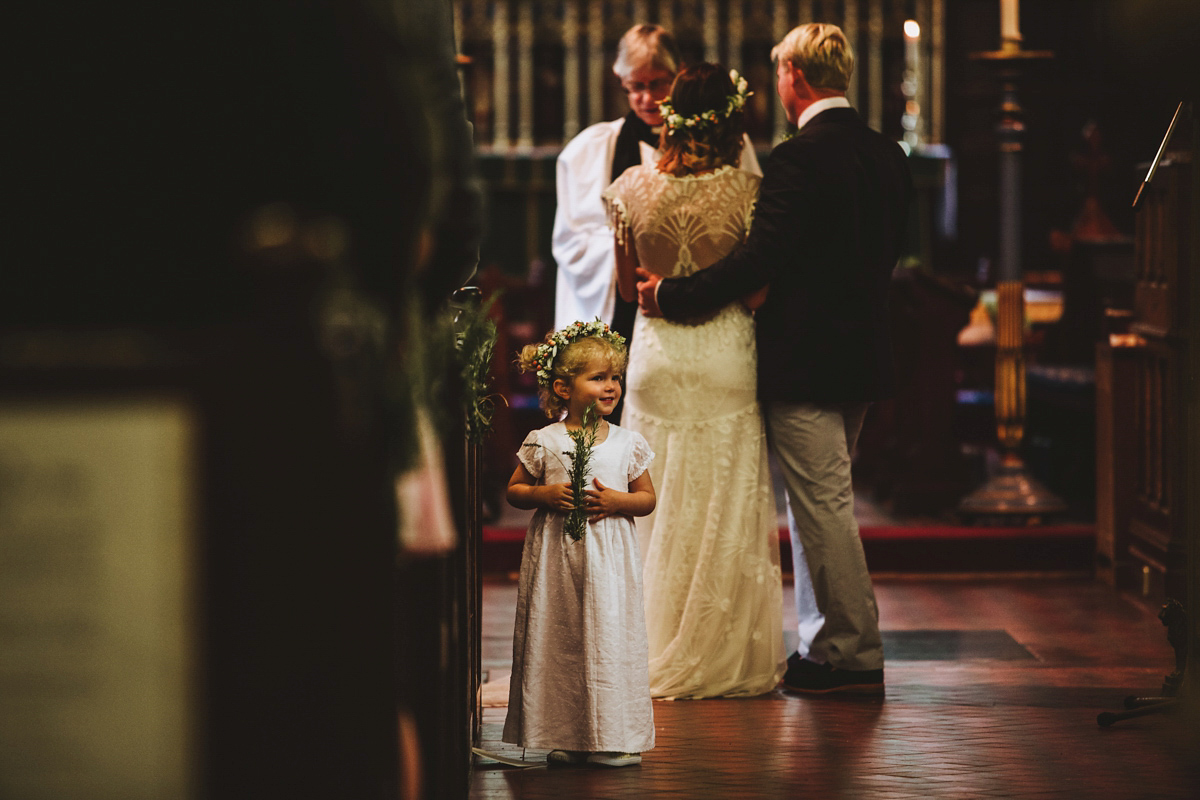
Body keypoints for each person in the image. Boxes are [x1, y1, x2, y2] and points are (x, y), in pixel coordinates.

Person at [637, 23, 913, 695]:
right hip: (862, 355)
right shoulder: (887, 154)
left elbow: (760, 260)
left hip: (805, 359)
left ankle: (854, 653)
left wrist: (673, 294)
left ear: (794, 77)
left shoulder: (799, 158)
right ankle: (822, 648)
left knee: (822, 509)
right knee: (824, 502)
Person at [601, 63, 785, 699]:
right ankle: (715, 649)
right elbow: (758, 292)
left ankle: (643, 640)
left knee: (655, 501)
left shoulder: (629, 187)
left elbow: (628, 289)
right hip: (723, 358)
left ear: (671, 114)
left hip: (655, 361)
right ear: (733, 119)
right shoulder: (748, 192)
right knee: (719, 501)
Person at [551, 24, 761, 420]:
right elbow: (571, 243)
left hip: (715, 320)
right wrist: (640, 252)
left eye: (657, 83)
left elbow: (748, 230)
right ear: (621, 82)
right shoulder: (590, 150)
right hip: (630, 314)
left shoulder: (730, 145)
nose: (646, 97)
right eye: (635, 86)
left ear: (678, 74)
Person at [502, 320, 657, 767]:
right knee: (561, 637)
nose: (611, 387)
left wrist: (618, 501)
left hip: (609, 561)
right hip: (558, 560)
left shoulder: (628, 442)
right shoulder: (544, 440)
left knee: (610, 637)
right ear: (563, 388)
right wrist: (542, 495)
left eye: (616, 378)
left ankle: (615, 735)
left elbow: (647, 499)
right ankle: (563, 733)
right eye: (599, 378)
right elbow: (515, 490)